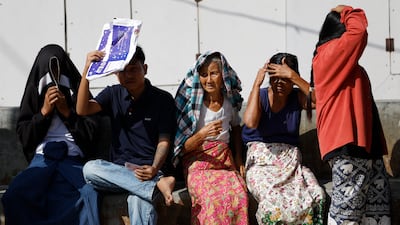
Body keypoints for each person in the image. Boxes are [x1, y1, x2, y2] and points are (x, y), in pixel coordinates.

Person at [76, 45, 176, 225]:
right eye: (122, 71)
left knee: (138, 200)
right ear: (115, 73)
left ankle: (151, 184)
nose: (128, 75)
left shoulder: (163, 99)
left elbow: (164, 141)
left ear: (144, 69)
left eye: (133, 69)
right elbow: (82, 109)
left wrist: (153, 168)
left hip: (148, 169)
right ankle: (156, 186)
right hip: (119, 171)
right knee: (90, 169)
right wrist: (87, 72)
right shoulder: (113, 93)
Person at [1, 44, 100, 225]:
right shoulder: (34, 94)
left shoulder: (79, 93)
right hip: (43, 159)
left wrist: (67, 113)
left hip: (73, 160)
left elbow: (92, 135)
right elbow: (25, 137)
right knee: (15, 195)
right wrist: (44, 113)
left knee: (86, 196)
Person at [310, 5, 391, 225]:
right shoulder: (328, 53)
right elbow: (359, 32)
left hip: (364, 146)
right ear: (339, 32)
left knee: (374, 213)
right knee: (346, 214)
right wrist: (347, 10)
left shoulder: (341, 60)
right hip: (348, 146)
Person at [241, 53, 326, 225]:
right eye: (275, 77)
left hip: (290, 164)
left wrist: (294, 77)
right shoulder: (262, 95)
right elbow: (250, 121)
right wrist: (257, 84)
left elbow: (324, 100)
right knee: (274, 204)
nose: (279, 82)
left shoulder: (296, 97)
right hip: (262, 163)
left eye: (284, 78)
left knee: (316, 195)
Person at [173, 51, 248, 225]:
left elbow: (236, 128)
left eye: (214, 73)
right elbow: (183, 149)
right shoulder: (192, 108)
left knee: (238, 194)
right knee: (209, 199)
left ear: (223, 76)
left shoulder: (229, 103)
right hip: (198, 164)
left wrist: (238, 158)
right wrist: (202, 134)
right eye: (204, 74)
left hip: (225, 162)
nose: (208, 80)